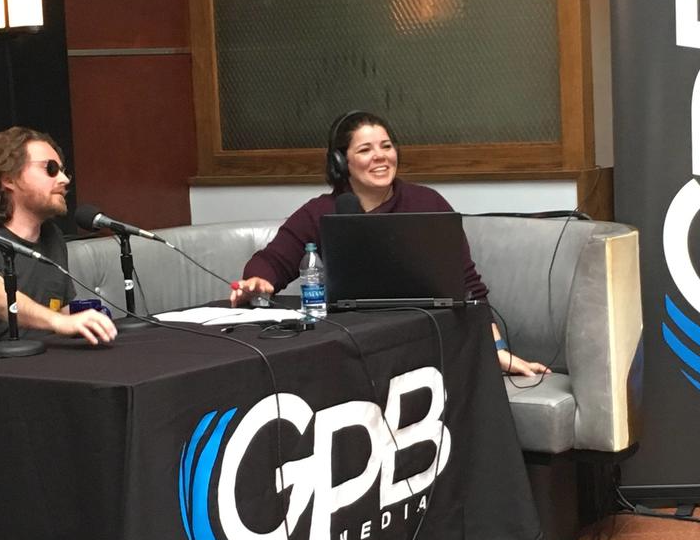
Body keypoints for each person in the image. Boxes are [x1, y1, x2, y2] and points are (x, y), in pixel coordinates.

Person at [230, 110, 549, 376]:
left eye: (386, 146)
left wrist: (497, 350)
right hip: (353, 348)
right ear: (341, 162)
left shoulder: (428, 202)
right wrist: (257, 281)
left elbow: (468, 287)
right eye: (365, 150)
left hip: (424, 341)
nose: (380, 156)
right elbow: (272, 262)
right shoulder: (321, 212)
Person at [0, 126, 117, 355]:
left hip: (34, 364)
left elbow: (56, 310)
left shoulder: (51, 237)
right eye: (50, 168)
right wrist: (60, 323)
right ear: (9, 179)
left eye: (63, 170)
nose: (64, 179)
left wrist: (89, 321)